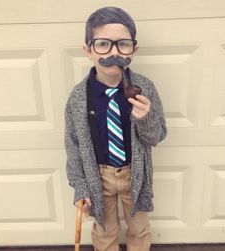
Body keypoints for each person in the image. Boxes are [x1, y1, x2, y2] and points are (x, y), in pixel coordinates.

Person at [65, 6, 167, 251]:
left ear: (134, 49)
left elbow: (156, 136)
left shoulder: (145, 87)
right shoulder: (79, 96)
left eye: (122, 44)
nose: (113, 53)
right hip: (98, 176)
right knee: (104, 230)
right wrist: (80, 185)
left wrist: (145, 118)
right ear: (88, 50)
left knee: (139, 228)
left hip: (136, 175)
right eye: (103, 44)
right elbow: (73, 145)